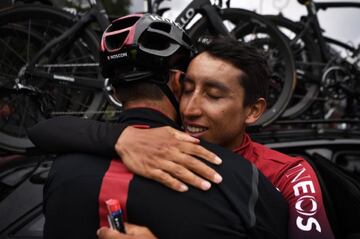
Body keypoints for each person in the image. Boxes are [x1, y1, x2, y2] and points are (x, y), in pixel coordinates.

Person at [30, 32, 336, 239]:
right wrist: (122, 138)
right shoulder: (152, 141)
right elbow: (43, 131)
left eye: (213, 95)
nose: (190, 109)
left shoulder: (288, 174)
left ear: (253, 111)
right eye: (187, 89)